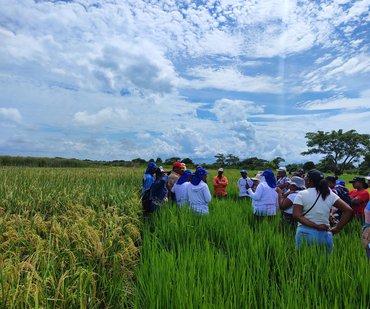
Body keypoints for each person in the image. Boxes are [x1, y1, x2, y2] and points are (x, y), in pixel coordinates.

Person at [293, 169, 353, 253]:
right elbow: (348, 210)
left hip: (305, 233)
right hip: (325, 234)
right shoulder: (330, 194)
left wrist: (316, 226)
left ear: (309, 181)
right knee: (324, 264)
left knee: (304, 263)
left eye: (305, 179)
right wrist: (337, 229)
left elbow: (296, 215)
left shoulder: (302, 194)